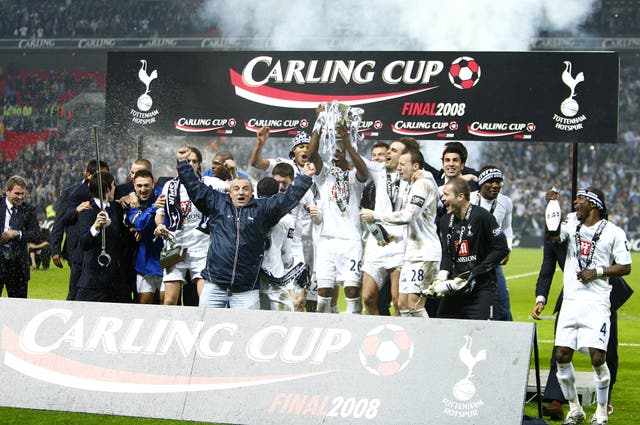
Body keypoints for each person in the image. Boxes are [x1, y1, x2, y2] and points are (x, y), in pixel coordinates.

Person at [532, 188, 632, 425]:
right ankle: (575, 410)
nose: (575, 202)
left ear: (593, 205)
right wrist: (552, 207)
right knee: (562, 356)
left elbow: (625, 266)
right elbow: (554, 235)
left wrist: (597, 271)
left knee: (598, 358)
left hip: (597, 303)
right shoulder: (571, 226)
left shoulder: (614, 232)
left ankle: (600, 411)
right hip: (570, 302)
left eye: (580, 200)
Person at [176, 146, 315, 310]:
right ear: (230, 192)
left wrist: (305, 178)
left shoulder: (262, 210)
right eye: (236, 188)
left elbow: (288, 199)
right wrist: (183, 163)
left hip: (246, 290)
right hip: (214, 285)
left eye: (245, 189)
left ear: (252, 193)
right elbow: (194, 187)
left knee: (247, 331)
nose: (240, 192)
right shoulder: (217, 203)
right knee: (206, 328)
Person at [361, 149, 440, 317]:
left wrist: (376, 215)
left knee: (414, 305)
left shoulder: (422, 184)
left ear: (416, 166)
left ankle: (426, 340)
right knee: (402, 304)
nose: (399, 168)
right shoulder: (413, 185)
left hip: (424, 253)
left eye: (403, 165)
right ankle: (408, 340)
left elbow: (408, 216)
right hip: (411, 253)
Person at [307, 124, 369, 314]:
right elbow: (311, 155)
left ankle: (354, 327)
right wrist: (319, 123)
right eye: (334, 150)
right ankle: (323, 329)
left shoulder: (355, 178)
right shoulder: (324, 175)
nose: (336, 153)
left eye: (340, 150)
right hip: (327, 240)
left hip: (351, 241)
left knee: (351, 290)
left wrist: (348, 145)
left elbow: (364, 171)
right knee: (323, 291)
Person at [434, 177, 510, 319]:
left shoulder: (482, 216)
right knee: (443, 327)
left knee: (482, 335)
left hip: (482, 289)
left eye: (446, 194)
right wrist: (441, 277)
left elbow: (501, 248)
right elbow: (447, 254)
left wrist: (475, 272)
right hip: (455, 287)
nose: (442, 199)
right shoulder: (445, 220)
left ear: (460, 197)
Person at [360, 138, 420, 316]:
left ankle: (398, 336)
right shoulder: (378, 171)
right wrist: (346, 139)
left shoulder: (414, 178)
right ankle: (374, 336)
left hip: (400, 243)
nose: (388, 153)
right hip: (377, 241)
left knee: (397, 300)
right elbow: (355, 158)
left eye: (393, 150)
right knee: (368, 297)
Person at [154, 147, 220, 306]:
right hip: (175, 246)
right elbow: (160, 213)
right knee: (168, 301)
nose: (191, 164)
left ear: (200, 165)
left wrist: (233, 173)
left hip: (202, 248)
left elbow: (233, 187)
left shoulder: (209, 183)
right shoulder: (169, 186)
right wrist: (160, 225)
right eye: (187, 161)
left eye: (194, 161)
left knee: (205, 301)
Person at [50, 159, 108, 300]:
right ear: (87, 175)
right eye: (100, 176)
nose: (103, 180)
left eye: (106, 176)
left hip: (99, 249)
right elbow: (61, 220)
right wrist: (55, 249)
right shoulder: (71, 193)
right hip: (77, 250)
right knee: (77, 290)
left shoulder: (108, 193)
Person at [470, 166, 514, 321]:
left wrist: (508, 249)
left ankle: (509, 341)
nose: (495, 185)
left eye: (498, 181)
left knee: (502, 305)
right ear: (481, 183)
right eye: (490, 181)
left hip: (493, 260)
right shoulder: (468, 199)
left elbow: (507, 228)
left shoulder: (506, 202)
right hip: (469, 260)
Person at [256, 176, 303, 312]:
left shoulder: (248, 212)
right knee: (285, 321)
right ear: (278, 194)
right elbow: (286, 254)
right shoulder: (287, 219)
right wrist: (288, 262)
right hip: (274, 277)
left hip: (253, 278)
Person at [75, 171, 122, 302]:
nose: (115, 189)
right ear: (107, 189)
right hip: (93, 281)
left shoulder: (116, 208)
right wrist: (95, 227)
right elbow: (84, 243)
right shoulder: (87, 211)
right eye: (113, 185)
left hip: (114, 281)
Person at [114, 158, 153, 303]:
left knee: (147, 292)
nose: (132, 175)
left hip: (147, 247)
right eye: (131, 172)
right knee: (125, 287)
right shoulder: (122, 190)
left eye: (136, 172)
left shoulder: (154, 191)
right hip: (127, 247)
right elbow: (116, 215)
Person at [124, 169, 163, 304]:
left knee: (168, 304)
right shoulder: (132, 204)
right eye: (139, 186)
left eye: (146, 185)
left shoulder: (164, 194)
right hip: (145, 263)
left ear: (153, 184)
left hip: (166, 261)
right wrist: (153, 207)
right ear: (134, 186)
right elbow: (139, 223)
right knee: (144, 305)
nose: (143, 189)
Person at [0, 175, 40, 298]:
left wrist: (17, 233)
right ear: (7, 191)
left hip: (18, 267)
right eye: (17, 193)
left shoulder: (28, 210)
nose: (20, 197)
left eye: (23, 194)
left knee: (18, 310)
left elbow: (36, 235)